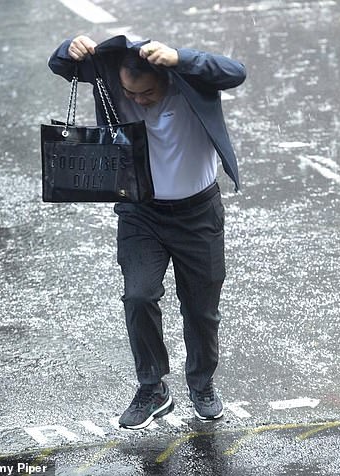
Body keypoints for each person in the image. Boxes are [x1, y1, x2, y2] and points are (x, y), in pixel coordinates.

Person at [48, 35, 246, 430]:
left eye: (148, 92)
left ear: (167, 76)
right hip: (141, 213)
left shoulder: (190, 78)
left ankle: (202, 384)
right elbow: (61, 65)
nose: (138, 100)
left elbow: (235, 72)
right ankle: (153, 387)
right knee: (138, 296)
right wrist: (69, 46)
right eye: (130, 93)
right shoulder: (112, 75)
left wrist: (180, 57)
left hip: (198, 214)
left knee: (201, 310)